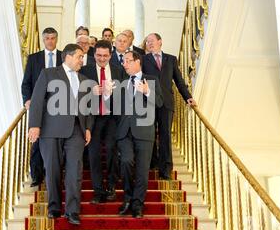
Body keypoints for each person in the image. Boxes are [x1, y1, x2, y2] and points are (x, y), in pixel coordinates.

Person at [28, 44, 93, 225]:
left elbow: (87, 108)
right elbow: (37, 101)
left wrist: (87, 127)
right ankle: (54, 207)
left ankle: (72, 211)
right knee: (53, 169)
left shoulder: (84, 79)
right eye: (80, 56)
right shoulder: (48, 74)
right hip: (50, 130)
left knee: (75, 171)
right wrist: (34, 125)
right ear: (68, 57)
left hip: (76, 131)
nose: (82, 60)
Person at [114, 50, 163, 218]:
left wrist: (147, 92)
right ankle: (127, 197)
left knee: (142, 171)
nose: (124, 64)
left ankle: (137, 204)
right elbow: (114, 107)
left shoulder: (151, 80)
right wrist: (106, 94)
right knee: (126, 161)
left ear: (137, 62)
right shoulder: (121, 82)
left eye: (128, 61)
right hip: (124, 131)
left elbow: (160, 103)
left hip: (144, 132)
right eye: (124, 61)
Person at [142, 33, 197, 180]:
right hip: (149, 102)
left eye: (152, 41)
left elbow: (179, 80)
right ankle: (152, 163)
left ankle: (165, 169)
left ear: (160, 41)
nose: (149, 44)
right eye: (147, 42)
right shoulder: (143, 59)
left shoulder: (171, 59)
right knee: (150, 134)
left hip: (166, 103)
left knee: (165, 135)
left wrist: (188, 97)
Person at [80, 40, 125, 204]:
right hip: (93, 118)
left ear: (110, 55)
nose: (102, 58)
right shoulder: (85, 71)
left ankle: (112, 187)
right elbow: (77, 94)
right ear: (94, 54)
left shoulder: (119, 71)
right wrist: (91, 91)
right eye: (98, 55)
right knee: (94, 154)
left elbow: (125, 96)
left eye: (105, 55)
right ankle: (98, 191)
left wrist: (116, 93)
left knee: (113, 150)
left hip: (113, 117)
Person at [21, 27, 62, 187]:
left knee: (56, 142)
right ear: (43, 40)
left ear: (56, 39)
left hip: (58, 107)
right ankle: (37, 176)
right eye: (47, 38)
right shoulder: (33, 59)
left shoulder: (63, 57)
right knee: (37, 142)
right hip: (39, 107)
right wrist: (28, 100)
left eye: (53, 38)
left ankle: (56, 175)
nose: (50, 41)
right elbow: (26, 83)